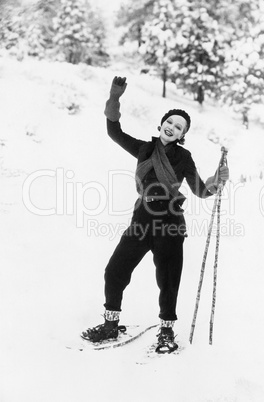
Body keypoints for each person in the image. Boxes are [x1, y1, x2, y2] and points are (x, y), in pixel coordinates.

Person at [82, 76, 229, 353]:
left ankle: (166, 331)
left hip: (170, 225)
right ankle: (110, 324)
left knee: (168, 280)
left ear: (183, 134)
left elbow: (200, 189)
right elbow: (114, 132)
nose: (172, 128)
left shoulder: (183, 157)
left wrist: (216, 180)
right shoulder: (144, 149)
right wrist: (115, 98)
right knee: (114, 271)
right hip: (141, 222)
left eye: (179, 127)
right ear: (161, 125)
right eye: (170, 123)